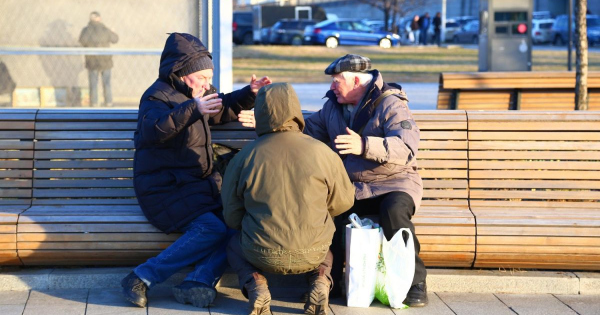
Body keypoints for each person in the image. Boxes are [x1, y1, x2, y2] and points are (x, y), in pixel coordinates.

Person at [120, 32, 271, 309]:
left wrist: (248, 94)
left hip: (195, 185)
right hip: (163, 186)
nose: (207, 83)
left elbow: (220, 109)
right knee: (212, 227)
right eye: (201, 77)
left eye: (208, 77)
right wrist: (193, 108)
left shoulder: (196, 94)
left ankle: (198, 280)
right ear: (180, 72)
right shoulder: (155, 97)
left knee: (235, 225)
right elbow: (153, 131)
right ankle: (141, 277)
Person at [303, 54, 428, 307]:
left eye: (336, 81)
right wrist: (267, 120)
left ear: (356, 81)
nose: (331, 87)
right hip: (354, 188)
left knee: (394, 213)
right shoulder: (332, 108)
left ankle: (416, 282)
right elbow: (306, 129)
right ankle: (330, 281)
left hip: (395, 183)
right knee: (330, 213)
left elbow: (405, 147)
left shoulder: (392, 104)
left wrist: (363, 145)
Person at [222, 83, 355, 315]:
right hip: (313, 251)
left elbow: (232, 216)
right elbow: (343, 202)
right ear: (296, 109)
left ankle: (257, 285)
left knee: (233, 244)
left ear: (260, 112)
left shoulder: (245, 157)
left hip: (260, 252)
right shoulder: (323, 152)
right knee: (327, 242)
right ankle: (320, 282)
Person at [79, 11, 119, 107]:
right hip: (105, 61)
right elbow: (115, 39)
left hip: (92, 61)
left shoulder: (86, 30)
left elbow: (82, 41)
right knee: (107, 83)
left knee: (93, 85)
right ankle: (108, 103)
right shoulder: (105, 29)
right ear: (99, 18)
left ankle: (94, 103)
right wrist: (113, 32)